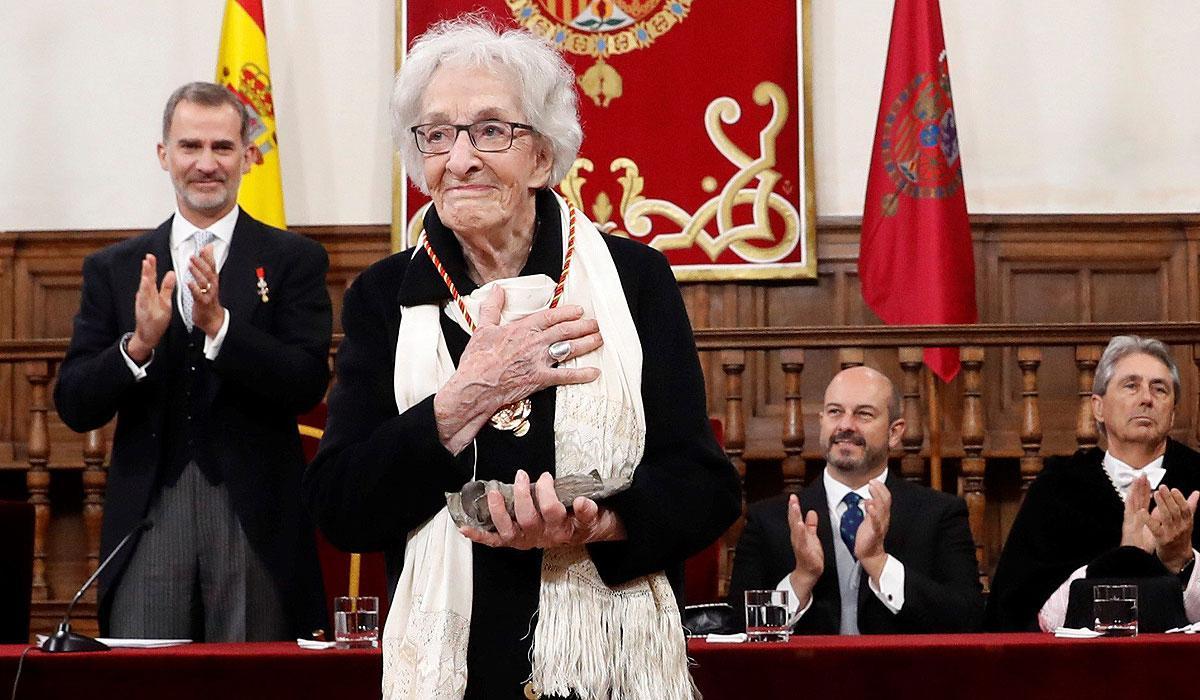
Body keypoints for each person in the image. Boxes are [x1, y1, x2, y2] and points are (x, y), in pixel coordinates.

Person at [302, 16, 740, 700]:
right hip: (463, 674)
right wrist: (464, 397)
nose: (461, 157)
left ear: (542, 156)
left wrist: (603, 519)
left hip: (604, 671)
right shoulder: (385, 296)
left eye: (491, 130)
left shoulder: (632, 280)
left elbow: (704, 488)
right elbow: (342, 508)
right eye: (437, 134)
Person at [54, 82, 331, 641]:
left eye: (223, 147)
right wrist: (138, 345)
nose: (207, 163)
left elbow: (306, 382)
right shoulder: (114, 268)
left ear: (249, 156)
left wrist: (220, 329)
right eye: (190, 147)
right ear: (164, 156)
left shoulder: (292, 259)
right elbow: (75, 404)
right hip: (150, 516)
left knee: (253, 687)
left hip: (254, 519)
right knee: (144, 683)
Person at [728, 366, 984, 634]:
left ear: (894, 433)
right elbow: (737, 629)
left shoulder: (940, 514)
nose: (846, 425)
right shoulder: (769, 519)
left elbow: (968, 619)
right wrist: (802, 577)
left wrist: (879, 562)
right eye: (835, 412)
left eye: (864, 414)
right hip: (804, 674)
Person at [986, 335, 1200, 631]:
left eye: (1159, 388)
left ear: (1173, 412)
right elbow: (1017, 610)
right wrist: (1123, 559)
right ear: (1098, 407)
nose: (1146, 398)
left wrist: (1184, 562)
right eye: (1131, 385)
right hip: (1074, 669)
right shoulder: (1057, 489)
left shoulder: (1198, 480)